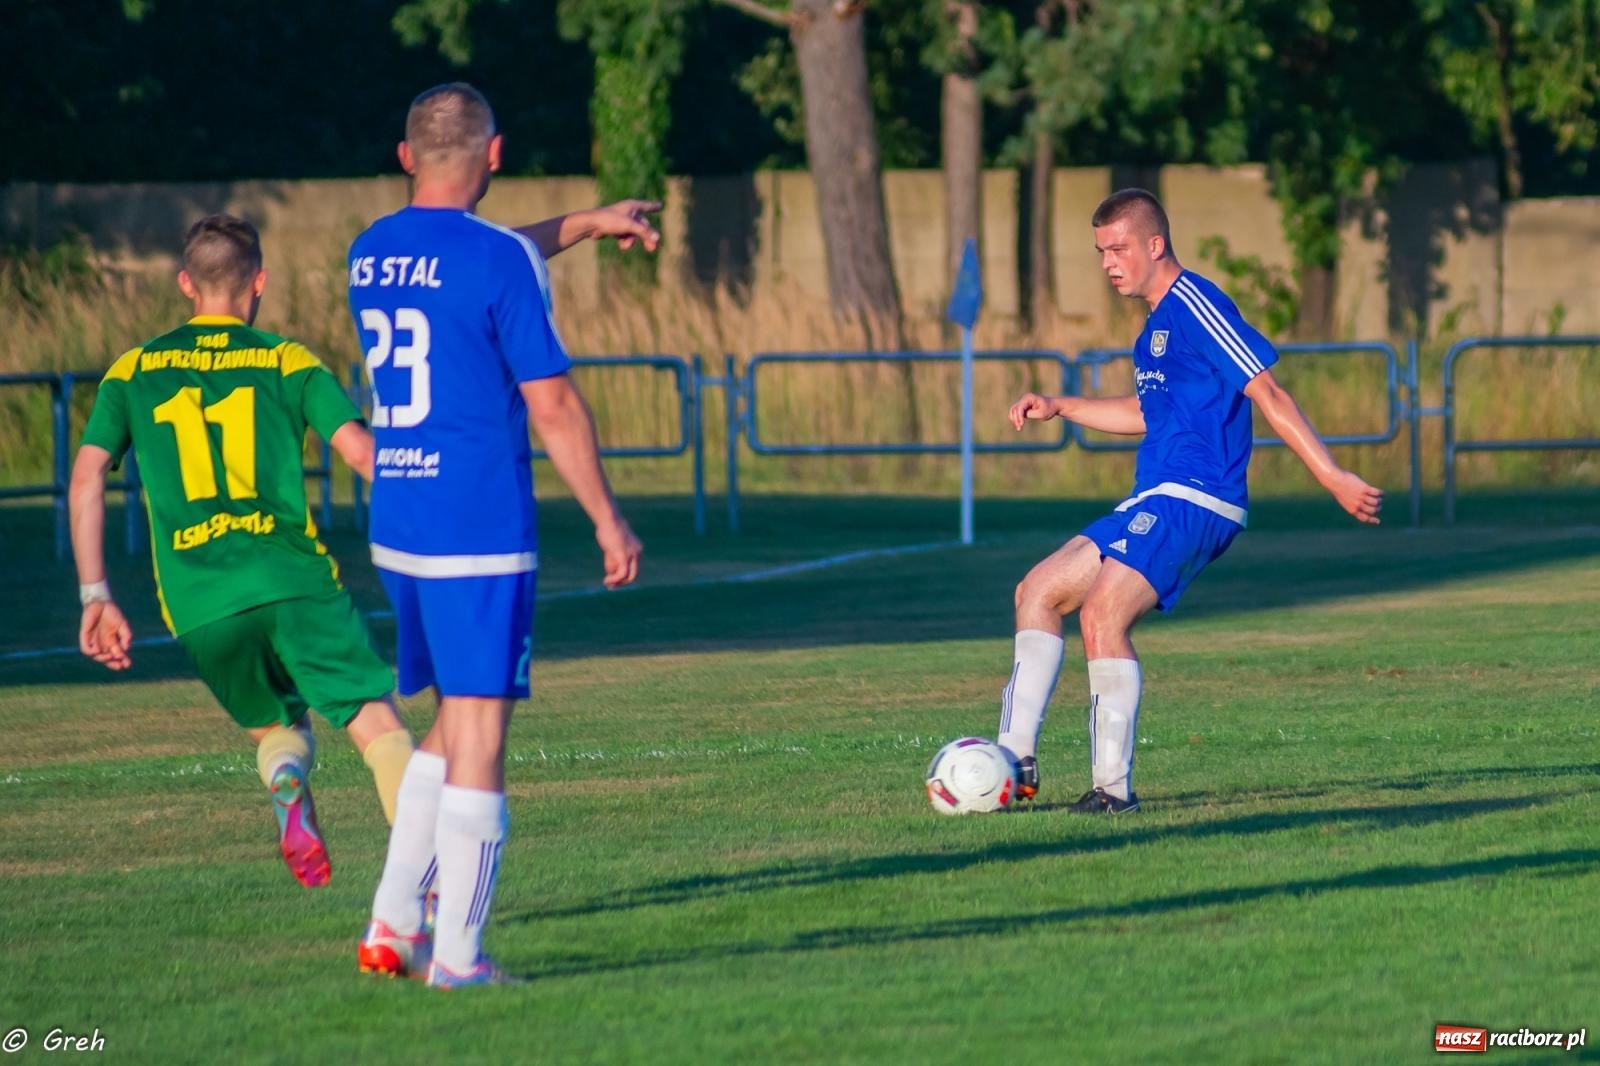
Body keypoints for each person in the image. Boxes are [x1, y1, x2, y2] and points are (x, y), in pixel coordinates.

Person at [349, 82, 645, 989]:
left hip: (399, 519)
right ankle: (460, 961)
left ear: (406, 157)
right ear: (497, 154)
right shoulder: (497, 260)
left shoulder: (369, 251)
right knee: (480, 738)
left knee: (450, 722)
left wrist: (587, 223)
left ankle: (393, 925)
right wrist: (607, 516)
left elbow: (476, 256)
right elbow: (551, 403)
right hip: (476, 525)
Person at [997, 188, 1383, 814]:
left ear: (1155, 244)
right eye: (1100, 252)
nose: (1108, 263)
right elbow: (1148, 415)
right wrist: (1063, 405)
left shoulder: (1198, 304)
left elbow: (1270, 393)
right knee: (1036, 591)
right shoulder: (1152, 329)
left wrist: (1332, 474)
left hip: (1200, 496)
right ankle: (1012, 765)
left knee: (1101, 616)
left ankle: (1112, 792)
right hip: (1156, 492)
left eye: (1118, 248)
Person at [69, 214, 417, 887]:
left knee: (278, 725)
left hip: (202, 603)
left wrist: (96, 595)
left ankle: (287, 779)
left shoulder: (133, 369)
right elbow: (365, 456)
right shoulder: (287, 359)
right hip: (290, 577)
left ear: (184, 285)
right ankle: (421, 892)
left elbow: (86, 478)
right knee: (381, 727)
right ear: (258, 282)